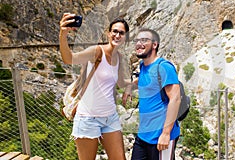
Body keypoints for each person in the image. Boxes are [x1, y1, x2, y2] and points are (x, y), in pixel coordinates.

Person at [59, 13, 131, 160]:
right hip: (88, 118)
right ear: (108, 33)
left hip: (110, 117)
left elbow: (121, 83)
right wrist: (63, 35)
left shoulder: (120, 58)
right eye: (115, 31)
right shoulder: (96, 51)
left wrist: (132, 85)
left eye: (121, 33)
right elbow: (69, 59)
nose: (117, 35)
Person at [123, 28, 181, 160]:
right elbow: (147, 80)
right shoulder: (143, 65)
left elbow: (175, 99)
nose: (138, 43)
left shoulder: (164, 67)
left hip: (161, 136)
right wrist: (130, 86)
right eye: (137, 40)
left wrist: (166, 133)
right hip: (143, 135)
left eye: (144, 40)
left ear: (154, 45)